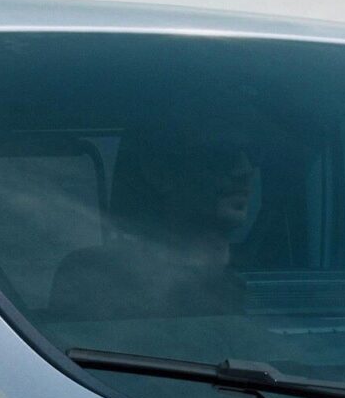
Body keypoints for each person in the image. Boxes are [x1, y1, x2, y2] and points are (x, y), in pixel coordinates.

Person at [48, 132, 259, 323]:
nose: (245, 169)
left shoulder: (253, 282)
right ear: (158, 172)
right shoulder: (97, 280)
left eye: (254, 154)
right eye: (222, 153)